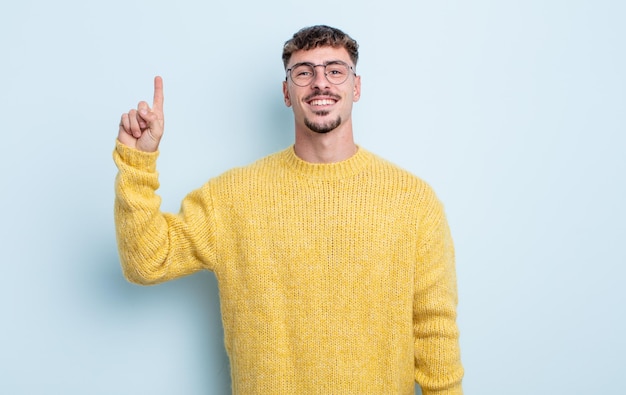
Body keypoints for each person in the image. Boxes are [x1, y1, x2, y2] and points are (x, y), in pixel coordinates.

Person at [114, 25, 464, 394]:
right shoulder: (232, 198)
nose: (320, 83)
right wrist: (138, 160)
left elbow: (434, 329)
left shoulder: (412, 201)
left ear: (356, 87)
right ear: (287, 92)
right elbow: (146, 261)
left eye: (335, 70)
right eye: (304, 72)